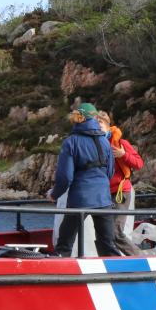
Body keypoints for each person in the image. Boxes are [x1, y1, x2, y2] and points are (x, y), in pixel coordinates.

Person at [46, 103, 120, 257]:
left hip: (80, 200)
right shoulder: (105, 142)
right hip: (103, 199)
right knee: (108, 245)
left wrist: (54, 194)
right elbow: (110, 171)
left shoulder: (71, 142)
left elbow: (65, 177)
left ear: (79, 118)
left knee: (64, 244)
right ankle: (117, 276)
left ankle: (59, 276)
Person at [96, 111, 144, 257]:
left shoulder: (121, 143)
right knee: (102, 232)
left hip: (120, 193)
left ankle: (141, 259)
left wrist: (124, 155)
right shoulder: (94, 145)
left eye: (100, 123)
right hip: (102, 195)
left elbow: (139, 164)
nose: (97, 126)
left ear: (107, 125)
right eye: (95, 123)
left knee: (116, 232)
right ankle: (107, 262)